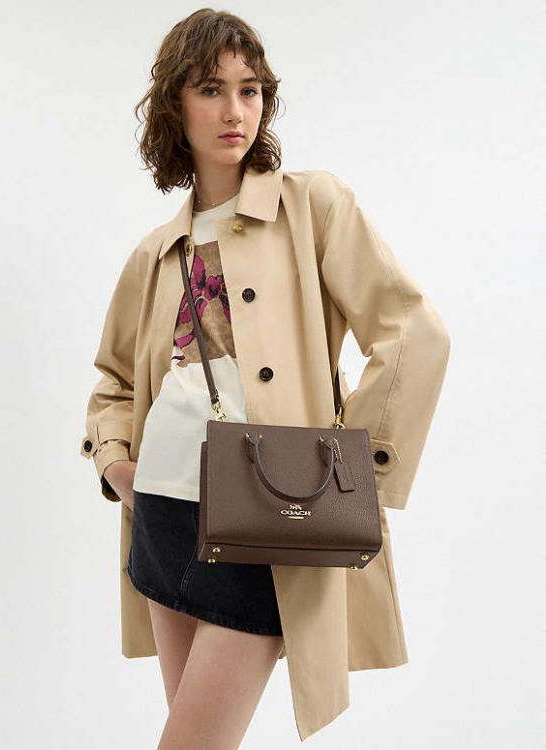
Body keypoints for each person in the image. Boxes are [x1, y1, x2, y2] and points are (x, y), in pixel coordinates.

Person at [80, 8, 450, 748]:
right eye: (210, 89)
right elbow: (114, 380)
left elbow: (414, 333)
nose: (234, 111)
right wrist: (116, 461)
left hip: (268, 518)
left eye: (249, 90)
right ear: (175, 105)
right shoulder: (155, 253)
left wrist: (353, 473)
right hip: (162, 513)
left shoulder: (312, 207)